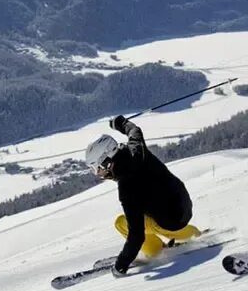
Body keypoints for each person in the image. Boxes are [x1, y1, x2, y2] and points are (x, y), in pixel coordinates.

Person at [83, 115, 201, 277]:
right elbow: (134, 130)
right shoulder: (136, 148)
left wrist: (121, 265)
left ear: (106, 161)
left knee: (121, 223)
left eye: (97, 168)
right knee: (150, 210)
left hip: (171, 221)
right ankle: (184, 235)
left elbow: (136, 234)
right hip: (183, 203)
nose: (98, 174)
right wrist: (120, 123)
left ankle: (158, 248)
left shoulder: (126, 187)